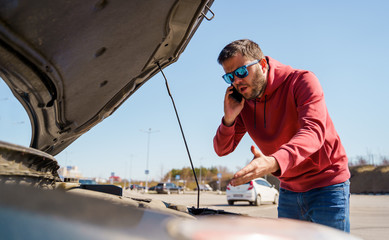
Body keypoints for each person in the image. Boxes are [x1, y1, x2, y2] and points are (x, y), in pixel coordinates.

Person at [213, 39, 350, 232]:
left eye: (241, 72)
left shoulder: (302, 81)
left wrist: (273, 162)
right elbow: (222, 149)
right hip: (288, 189)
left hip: (327, 185)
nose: (236, 81)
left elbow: (313, 131)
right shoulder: (243, 102)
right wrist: (228, 118)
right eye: (229, 77)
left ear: (261, 64)